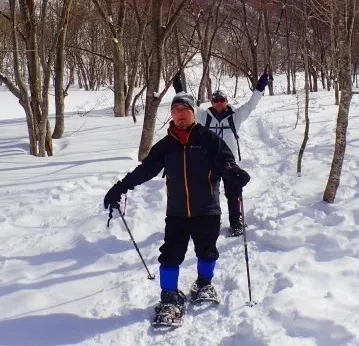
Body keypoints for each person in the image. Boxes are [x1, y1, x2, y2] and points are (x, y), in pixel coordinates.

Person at [103, 91, 251, 326]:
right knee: (170, 255)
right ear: (171, 115)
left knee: (207, 251)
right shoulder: (165, 146)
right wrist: (120, 187)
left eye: (185, 111)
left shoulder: (208, 139)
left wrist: (233, 172)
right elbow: (145, 170)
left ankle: (204, 284)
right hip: (177, 212)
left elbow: (226, 161)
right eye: (176, 111)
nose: (181, 115)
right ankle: (169, 297)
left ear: (194, 113)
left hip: (207, 209)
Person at [172, 67, 269, 236]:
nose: (218, 103)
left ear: (226, 100)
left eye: (221, 100)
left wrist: (260, 87)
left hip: (228, 161)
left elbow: (251, 105)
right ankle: (209, 222)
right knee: (208, 193)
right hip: (207, 160)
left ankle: (235, 222)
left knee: (233, 192)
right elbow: (190, 106)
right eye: (215, 100)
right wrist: (179, 88)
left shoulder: (235, 116)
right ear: (211, 102)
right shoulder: (204, 117)